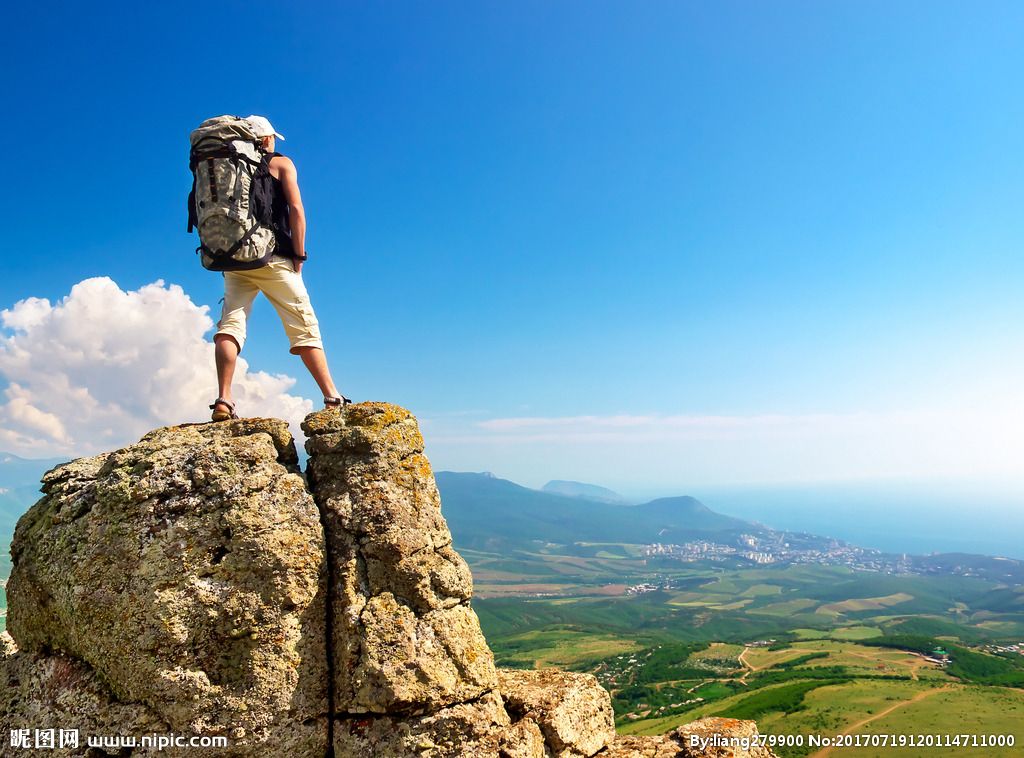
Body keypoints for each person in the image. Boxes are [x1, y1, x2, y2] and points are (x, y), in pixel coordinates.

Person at [209, 115, 349, 421]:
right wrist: (299, 254)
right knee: (303, 324)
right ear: (265, 139)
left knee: (231, 325)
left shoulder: (229, 168)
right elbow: (296, 210)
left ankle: (224, 399)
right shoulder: (281, 163)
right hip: (272, 257)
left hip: (233, 258)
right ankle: (332, 397)